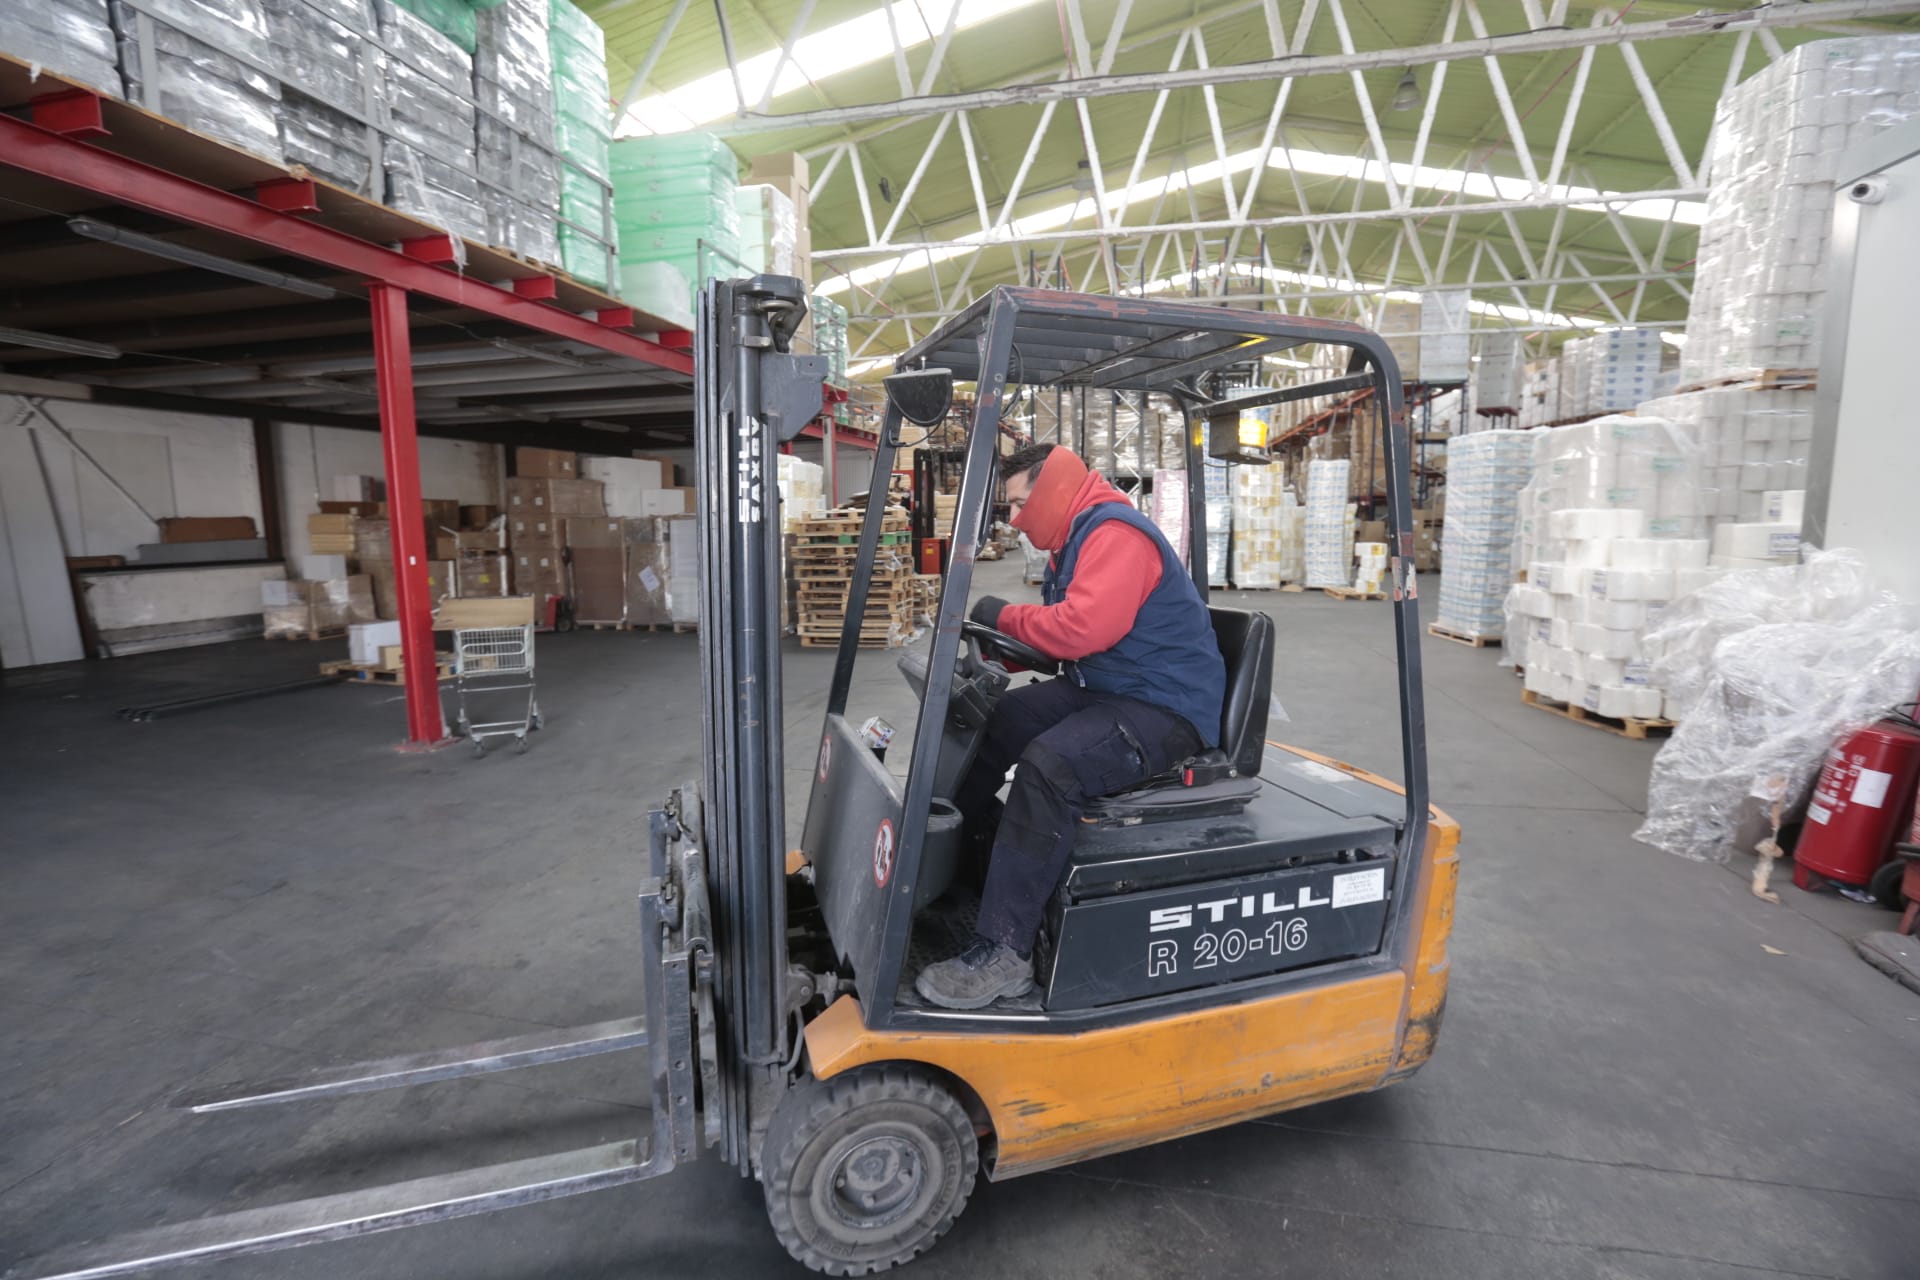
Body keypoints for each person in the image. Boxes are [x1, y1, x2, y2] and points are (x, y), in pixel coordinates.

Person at [915, 443, 1227, 1009]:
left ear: (1051, 488)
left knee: (1052, 765)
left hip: (1166, 707)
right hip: (1108, 686)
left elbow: (1081, 629)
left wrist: (1000, 616)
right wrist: (997, 646)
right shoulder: (1074, 541)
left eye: (1015, 504)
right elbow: (1059, 638)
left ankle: (1006, 952)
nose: (1012, 519)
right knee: (994, 721)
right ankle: (948, 869)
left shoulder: (1115, 535)